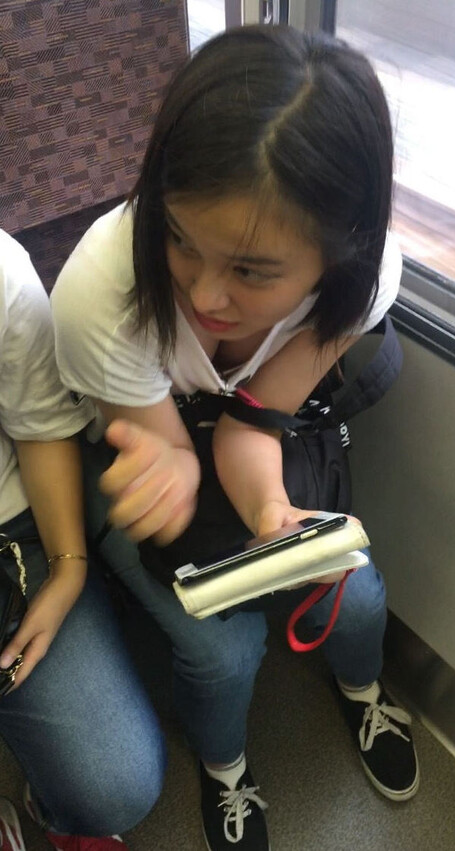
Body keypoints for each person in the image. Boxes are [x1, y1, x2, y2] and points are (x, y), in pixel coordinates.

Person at [51, 25, 419, 851]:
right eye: (180, 238)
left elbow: (254, 420)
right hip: (138, 463)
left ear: (339, 254)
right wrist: (173, 467)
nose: (206, 296)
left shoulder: (364, 280)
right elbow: (169, 451)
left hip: (239, 448)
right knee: (223, 651)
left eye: (252, 270)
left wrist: (270, 513)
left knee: (358, 593)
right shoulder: (100, 290)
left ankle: (363, 690)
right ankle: (224, 768)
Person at [0, 230, 165, 851]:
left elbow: (39, 424)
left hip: (11, 530)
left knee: (116, 786)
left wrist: (68, 567)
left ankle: (58, 806)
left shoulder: (4, 271)